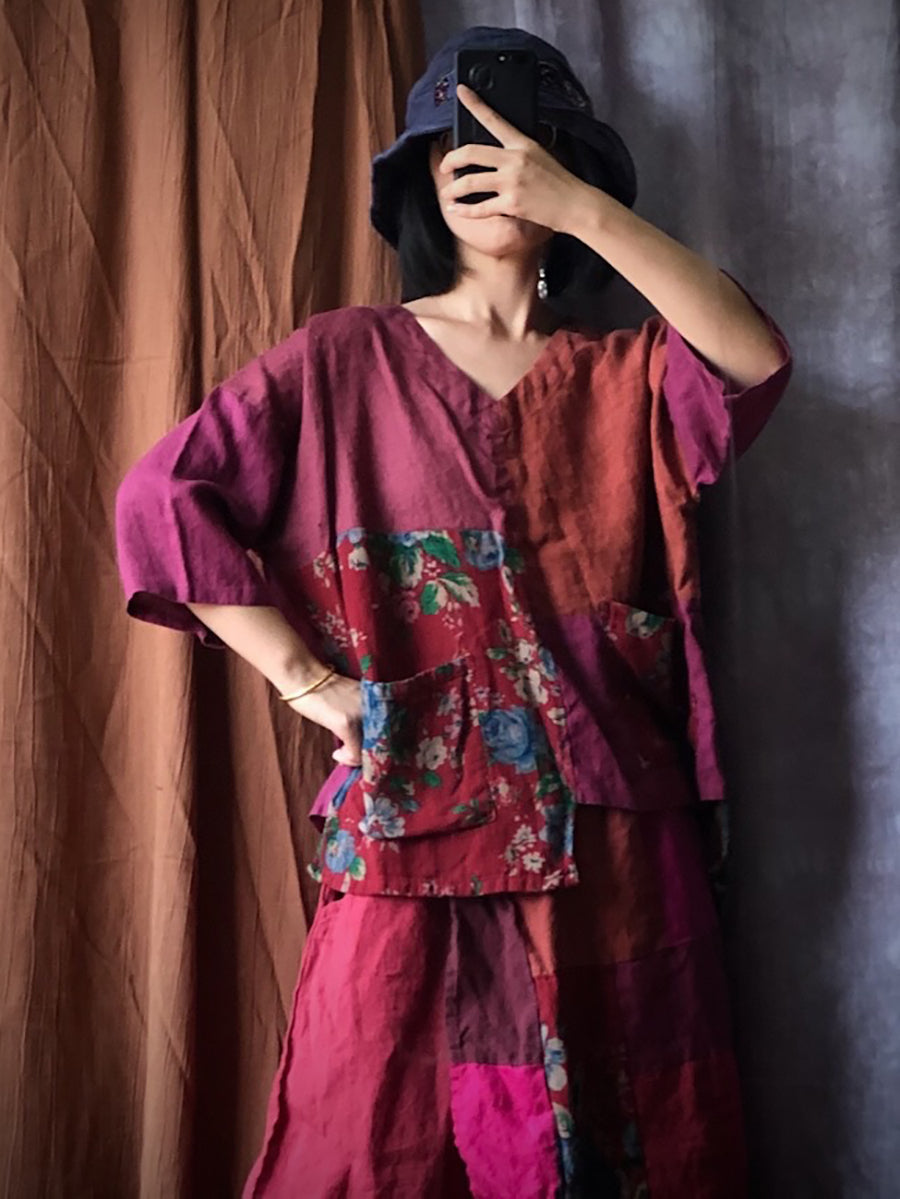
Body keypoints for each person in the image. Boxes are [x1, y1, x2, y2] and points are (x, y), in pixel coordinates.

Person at [114, 24, 793, 1199]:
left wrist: (582, 209)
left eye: (524, 148)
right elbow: (161, 500)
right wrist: (312, 685)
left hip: (617, 835)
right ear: (423, 181)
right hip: (413, 818)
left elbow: (752, 360)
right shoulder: (343, 359)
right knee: (376, 1134)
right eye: (460, 149)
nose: (492, 168)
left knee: (644, 1138)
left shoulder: (629, 369)